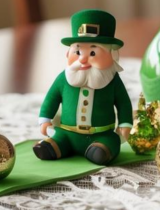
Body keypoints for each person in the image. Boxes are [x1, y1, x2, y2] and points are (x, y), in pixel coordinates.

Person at [33, 9, 133, 165]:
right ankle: (53, 147)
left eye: (92, 53)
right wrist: (45, 119)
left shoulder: (113, 80)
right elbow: (51, 98)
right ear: (68, 54)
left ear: (111, 55)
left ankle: (100, 151)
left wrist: (125, 124)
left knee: (109, 143)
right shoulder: (64, 78)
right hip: (67, 133)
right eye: (77, 51)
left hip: (101, 134)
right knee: (58, 139)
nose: (83, 59)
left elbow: (123, 103)